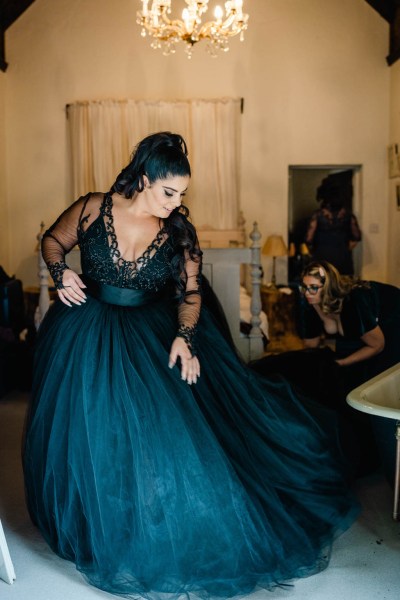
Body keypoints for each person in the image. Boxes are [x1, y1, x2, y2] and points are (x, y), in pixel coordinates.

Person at [23, 132, 359, 600]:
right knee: (93, 429)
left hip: (151, 331)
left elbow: (191, 294)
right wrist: (61, 273)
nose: (176, 202)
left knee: (158, 434)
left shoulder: (178, 231)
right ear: (144, 179)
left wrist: (184, 338)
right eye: (168, 192)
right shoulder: (92, 207)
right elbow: (53, 242)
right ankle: (100, 521)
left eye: (182, 194)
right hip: (87, 329)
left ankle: (148, 524)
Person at [298, 260, 400, 479]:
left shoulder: (355, 300)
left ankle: (379, 450)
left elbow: (377, 345)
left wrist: (343, 363)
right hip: (363, 330)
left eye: (313, 287)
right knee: (342, 374)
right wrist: (315, 307)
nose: (307, 292)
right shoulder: (310, 301)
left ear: (327, 288)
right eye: (304, 287)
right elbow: (310, 345)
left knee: (373, 378)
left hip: (392, 322)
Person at [304, 180, 362, 276]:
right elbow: (357, 237)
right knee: (343, 286)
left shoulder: (318, 215)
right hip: (342, 257)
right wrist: (345, 248)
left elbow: (308, 239)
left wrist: (313, 251)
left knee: (323, 285)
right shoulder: (348, 215)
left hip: (322, 255)